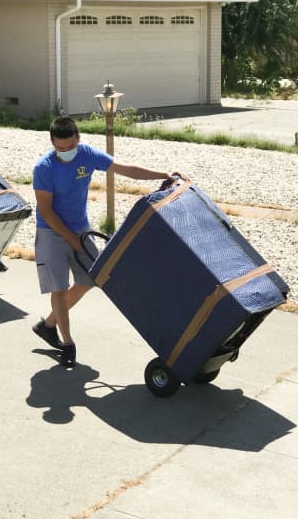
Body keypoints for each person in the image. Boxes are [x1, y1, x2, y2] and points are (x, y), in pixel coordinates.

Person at [31, 115, 187, 368]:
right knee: (58, 288)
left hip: (80, 228)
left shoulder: (87, 154)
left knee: (90, 280)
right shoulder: (44, 168)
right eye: (60, 148)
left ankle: (48, 324)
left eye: (71, 146)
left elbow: (126, 169)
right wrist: (71, 239)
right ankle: (67, 343)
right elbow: (46, 211)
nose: (66, 151)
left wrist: (163, 174)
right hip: (51, 232)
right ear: (52, 143)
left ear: (78, 139)